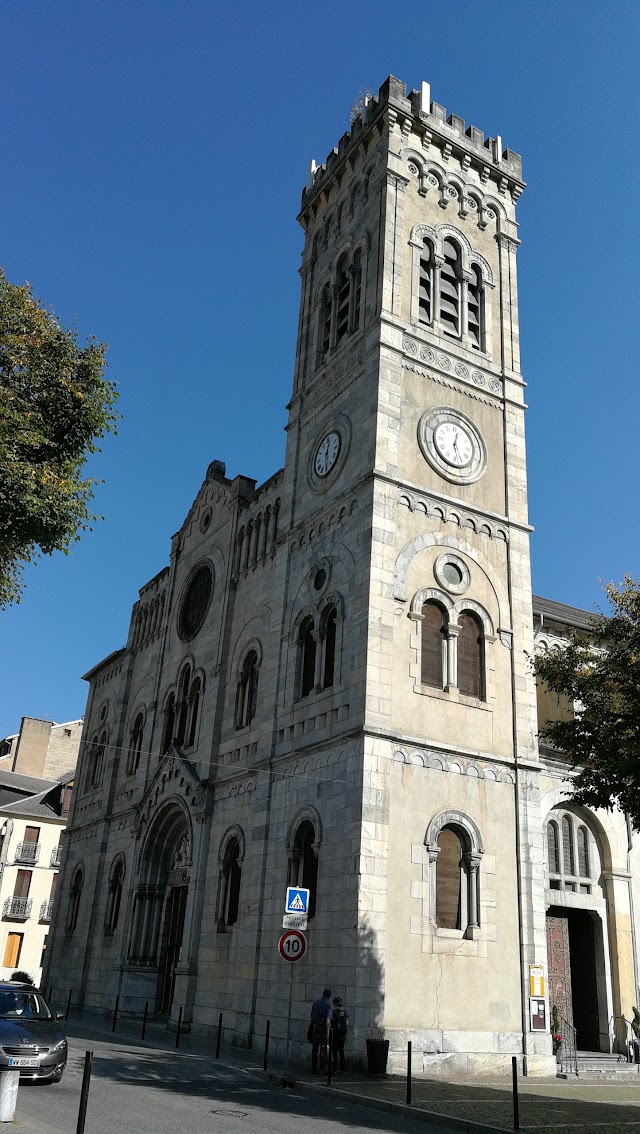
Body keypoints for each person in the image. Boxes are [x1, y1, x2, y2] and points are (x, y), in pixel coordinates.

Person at [310, 988, 332, 1074]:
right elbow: (327, 1021)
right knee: (323, 1049)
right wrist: (327, 1031)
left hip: (315, 1027)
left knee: (314, 1049)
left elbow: (312, 1016)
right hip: (323, 1028)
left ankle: (313, 1067)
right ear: (329, 996)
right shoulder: (328, 1005)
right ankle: (322, 1068)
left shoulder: (315, 1003)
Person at [331, 996, 349, 1073]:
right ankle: (342, 1068)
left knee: (335, 1050)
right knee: (341, 1050)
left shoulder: (335, 1011)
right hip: (343, 1034)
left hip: (336, 1033)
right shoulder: (345, 1011)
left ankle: (335, 1068)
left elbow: (332, 1021)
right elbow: (347, 1022)